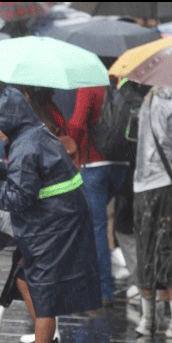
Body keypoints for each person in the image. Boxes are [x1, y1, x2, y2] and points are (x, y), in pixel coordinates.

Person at [0, 87, 101, 343]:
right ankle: (46, 339)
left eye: (0, 122)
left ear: (12, 120)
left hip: (57, 224)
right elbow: (23, 171)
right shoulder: (31, 134)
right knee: (24, 280)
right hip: (60, 218)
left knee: (42, 292)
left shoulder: (26, 143)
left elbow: (20, 197)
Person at [68, 85, 130, 307]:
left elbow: (78, 122)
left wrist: (66, 145)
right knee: (123, 226)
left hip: (94, 165)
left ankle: (103, 291)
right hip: (122, 165)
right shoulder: (122, 84)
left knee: (96, 227)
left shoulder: (89, 84)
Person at [133, 86, 172, 337]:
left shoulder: (148, 99)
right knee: (168, 248)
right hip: (166, 181)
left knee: (145, 249)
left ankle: (147, 320)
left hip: (142, 183)